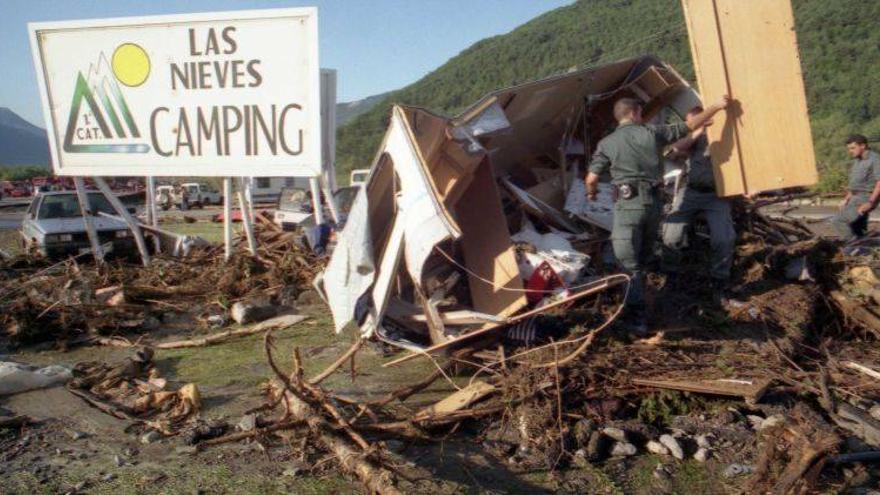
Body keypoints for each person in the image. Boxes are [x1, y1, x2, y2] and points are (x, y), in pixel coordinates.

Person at [585, 96, 730, 333]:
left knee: (627, 262)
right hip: (653, 204)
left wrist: (591, 194)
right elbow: (690, 126)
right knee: (643, 256)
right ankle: (648, 300)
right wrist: (715, 106)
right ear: (634, 113)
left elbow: (591, 179)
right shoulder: (653, 133)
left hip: (627, 206)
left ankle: (636, 317)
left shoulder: (607, 143)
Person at [661, 106, 737, 304]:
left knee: (724, 239)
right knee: (670, 235)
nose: (690, 125)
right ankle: (672, 277)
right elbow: (675, 150)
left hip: (717, 195)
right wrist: (697, 132)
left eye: (692, 121)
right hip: (691, 191)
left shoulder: (730, 140)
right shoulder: (695, 138)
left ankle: (719, 283)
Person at [832, 134, 880, 243]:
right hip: (854, 197)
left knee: (838, 221)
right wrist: (846, 199)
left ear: (863, 146)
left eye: (853, 148)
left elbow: (879, 182)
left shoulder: (875, 159)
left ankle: (852, 247)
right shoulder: (857, 160)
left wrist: (870, 202)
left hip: (865, 198)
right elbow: (855, 184)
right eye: (849, 149)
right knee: (856, 228)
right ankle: (864, 251)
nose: (850, 151)